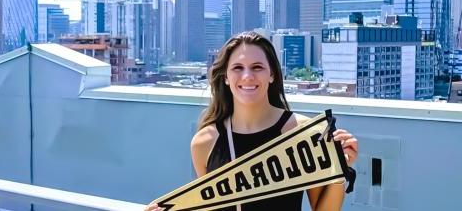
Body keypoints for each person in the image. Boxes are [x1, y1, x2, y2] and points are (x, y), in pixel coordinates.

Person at [147, 31, 358, 211]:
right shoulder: (204, 142)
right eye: (238, 68)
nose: (247, 76)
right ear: (226, 77)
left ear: (272, 75)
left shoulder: (303, 133)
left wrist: (338, 169)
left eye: (257, 67)